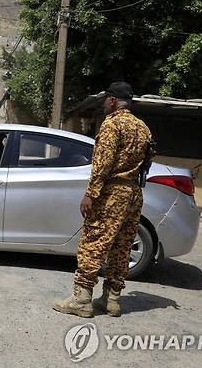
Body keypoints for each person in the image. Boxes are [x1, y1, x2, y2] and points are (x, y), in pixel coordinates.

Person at [53, 81, 152, 318]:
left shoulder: (112, 124)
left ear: (112, 100)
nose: (104, 104)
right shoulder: (143, 128)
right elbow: (146, 163)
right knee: (121, 245)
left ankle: (82, 299)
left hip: (113, 193)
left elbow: (103, 163)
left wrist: (91, 193)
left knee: (94, 241)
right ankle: (112, 299)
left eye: (106, 100)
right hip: (133, 193)